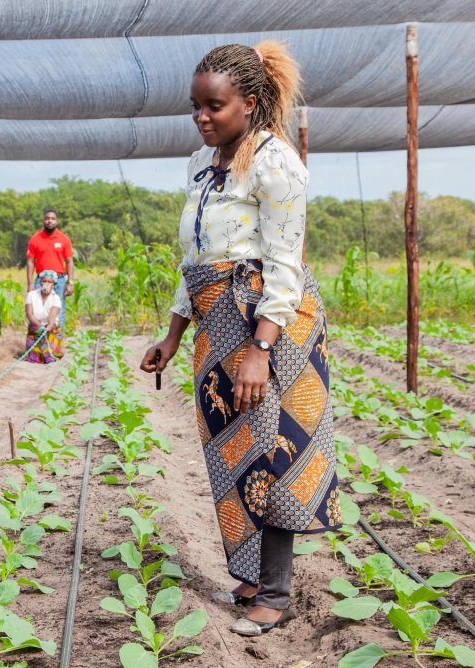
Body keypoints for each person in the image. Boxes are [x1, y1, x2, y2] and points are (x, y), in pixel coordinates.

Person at [140, 42, 341, 637]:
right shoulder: (203, 166)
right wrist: (173, 335)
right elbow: (196, 260)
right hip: (216, 324)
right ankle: (251, 578)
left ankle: (275, 595)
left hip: (268, 325)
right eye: (196, 106)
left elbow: (284, 265)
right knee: (231, 454)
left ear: (249, 103)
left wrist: (261, 350)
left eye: (214, 106)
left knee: (271, 452)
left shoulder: (276, 163)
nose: (201, 117)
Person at [26, 209, 74, 328]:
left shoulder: (64, 239)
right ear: (44, 221)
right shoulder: (35, 239)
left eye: (53, 219)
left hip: (59, 281)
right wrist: (30, 283)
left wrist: (70, 283)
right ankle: (40, 337)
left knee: (59, 310)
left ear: (57, 221)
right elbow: (30, 261)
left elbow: (69, 261)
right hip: (41, 280)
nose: (50, 221)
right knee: (37, 309)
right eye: (47, 218)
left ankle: (57, 338)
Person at [25, 269, 64, 363]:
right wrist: (40, 326)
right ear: (41, 283)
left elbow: (52, 317)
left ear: (53, 284)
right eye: (44, 281)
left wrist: (48, 328)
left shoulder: (56, 298)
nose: (46, 283)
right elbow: (30, 314)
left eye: (49, 282)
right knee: (34, 359)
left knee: (50, 357)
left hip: (51, 328)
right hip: (35, 327)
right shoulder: (31, 295)